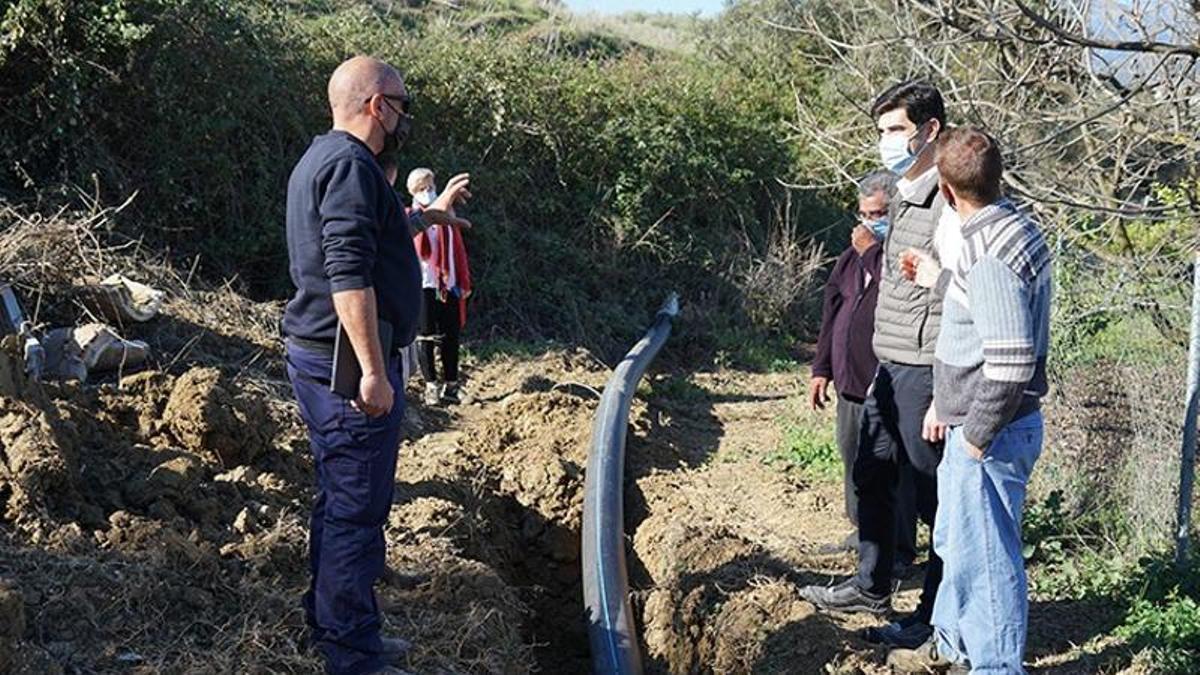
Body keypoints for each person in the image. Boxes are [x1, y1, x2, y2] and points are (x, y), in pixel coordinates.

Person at [282, 55, 470, 675]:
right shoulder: (351, 167)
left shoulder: (330, 159)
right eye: (402, 104)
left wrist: (424, 215)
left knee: (341, 501)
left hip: (323, 355)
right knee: (356, 511)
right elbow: (347, 273)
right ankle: (351, 654)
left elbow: (370, 233)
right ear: (376, 105)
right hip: (343, 366)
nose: (404, 117)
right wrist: (372, 370)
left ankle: (332, 623)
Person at [887, 128, 1052, 674]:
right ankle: (952, 648)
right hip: (976, 422)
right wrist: (939, 280)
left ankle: (995, 667)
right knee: (955, 542)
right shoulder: (1013, 228)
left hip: (993, 430)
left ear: (950, 194)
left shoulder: (988, 255)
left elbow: (1009, 362)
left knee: (986, 560)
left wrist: (977, 435)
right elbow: (980, 310)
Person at [799, 80, 949, 650]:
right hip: (889, 366)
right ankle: (871, 584)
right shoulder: (908, 195)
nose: (885, 141)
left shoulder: (948, 200)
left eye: (895, 130)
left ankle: (935, 615)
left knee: (936, 499)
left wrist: (944, 385)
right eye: (881, 130)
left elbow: (948, 295)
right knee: (871, 473)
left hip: (925, 368)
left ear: (928, 131)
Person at [810, 170, 919, 571]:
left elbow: (904, 292)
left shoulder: (906, 254)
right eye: (862, 213)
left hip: (889, 379)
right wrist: (822, 367)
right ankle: (863, 533)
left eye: (877, 213)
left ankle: (901, 549)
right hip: (850, 381)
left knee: (896, 470)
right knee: (853, 456)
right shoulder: (850, 257)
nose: (867, 221)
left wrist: (873, 249)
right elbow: (832, 308)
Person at [408, 167, 473, 407]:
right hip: (423, 283)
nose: (427, 192)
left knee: (451, 334)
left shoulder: (447, 218)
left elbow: (459, 252)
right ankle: (431, 385)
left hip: (447, 282)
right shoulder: (409, 217)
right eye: (421, 188)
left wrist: (463, 280)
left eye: (430, 187)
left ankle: (452, 385)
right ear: (412, 192)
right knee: (425, 335)